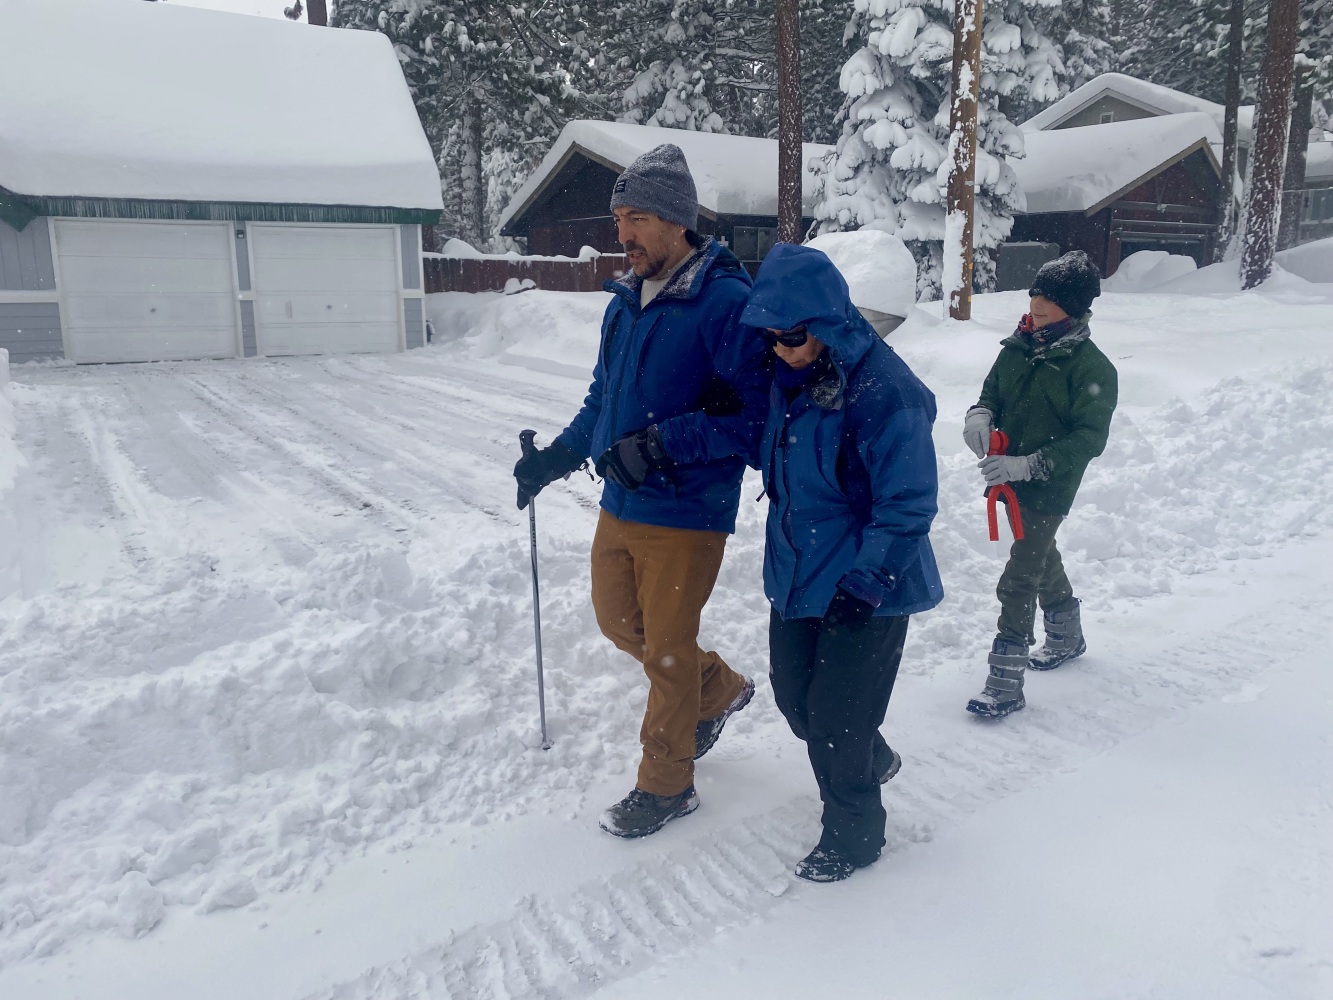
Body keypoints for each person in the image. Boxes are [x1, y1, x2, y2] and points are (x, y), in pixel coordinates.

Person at [512, 144, 772, 839]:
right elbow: (603, 397)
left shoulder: (724, 303)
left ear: (677, 221)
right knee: (617, 622)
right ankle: (719, 690)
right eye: (619, 218)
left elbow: (754, 421)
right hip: (621, 503)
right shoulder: (626, 301)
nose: (623, 234)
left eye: (638, 219)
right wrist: (557, 458)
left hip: (686, 512)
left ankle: (667, 784)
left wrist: (661, 444)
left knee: (665, 652)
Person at [742, 244, 943, 883]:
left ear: (826, 323)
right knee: (796, 702)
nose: (782, 349)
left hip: (867, 584)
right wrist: (666, 444)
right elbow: (754, 444)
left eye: (793, 336)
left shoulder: (886, 391)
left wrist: (867, 581)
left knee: (836, 722)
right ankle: (868, 757)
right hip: (800, 575)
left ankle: (854, 835)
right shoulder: (788, 381)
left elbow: (908, 502)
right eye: (771, 337)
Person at [964, 250, 1119, 719]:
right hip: (1007, 476)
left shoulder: (1092, 367)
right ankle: (1067, 635)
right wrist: (980, 414)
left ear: (1073, 307)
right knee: (1039, 552)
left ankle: (1005, 681)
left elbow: (1089, 439)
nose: (1037, 305)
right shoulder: (1017, 347)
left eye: (1050, 299)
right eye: (1035, 296)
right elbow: (992, 391)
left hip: (1051, 483)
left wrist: (1028, 465)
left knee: (1020, 576)